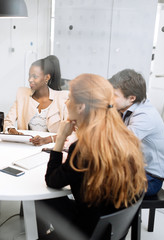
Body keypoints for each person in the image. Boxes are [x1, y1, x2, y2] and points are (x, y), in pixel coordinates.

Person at [36, 73, 147, 239]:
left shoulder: (83, 150)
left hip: (87, 232)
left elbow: (52, 180)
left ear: (80, 107)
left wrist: (59, 139)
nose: (66, 102)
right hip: (111, 229)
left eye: (69, 98)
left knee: (41, 198)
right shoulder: (126, 138)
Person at [109, 69, 164, 196]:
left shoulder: (144, 116)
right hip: (134, 169)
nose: (110, 98)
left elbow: (118, 144)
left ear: (131, 98)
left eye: (114, 95)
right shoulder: (125, 108)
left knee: (98, 185)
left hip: (150, 178)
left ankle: (122, 216)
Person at [4, 55, 71, 146]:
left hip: (53, 148)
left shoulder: (63, 98)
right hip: (27, 147)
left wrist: (47, 140)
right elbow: (8, 121)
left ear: (47, 77)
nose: (30, 80)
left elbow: (72, 132)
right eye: (29, 76)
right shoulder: (22, 94)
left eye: (35, 76)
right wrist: (11, 130)